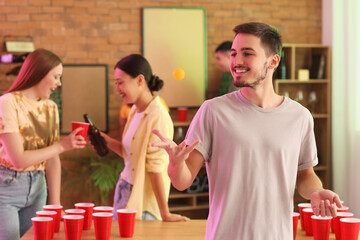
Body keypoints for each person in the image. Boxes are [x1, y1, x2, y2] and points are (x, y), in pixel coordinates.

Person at [152, 22, 342, 239]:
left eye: (247, 53)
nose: (236, 61)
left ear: (273, 61)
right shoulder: (213, 111)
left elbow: (305, 174)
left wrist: (316, 192)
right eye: (233, 54)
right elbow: (182, 181)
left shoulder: (300, 117)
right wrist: (175, 165)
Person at [0, 48, 87, 239]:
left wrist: (55, 205)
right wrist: (63, 145)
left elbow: (52, 158)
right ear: (39, 73)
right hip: (6, 188)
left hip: (38, 187)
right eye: (56, 77)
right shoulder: (7, 103)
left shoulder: (50, 107)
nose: (59, 83)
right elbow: (19, 160)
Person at [100, 54, 188, 221]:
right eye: (116, 83)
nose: (117, 88)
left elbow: (155, 168)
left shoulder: (158, 115)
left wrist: (164, 213)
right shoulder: (134, 110)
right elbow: (132, 156)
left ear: (140, 80)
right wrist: (105, 140)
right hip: (124, 188)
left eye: (120, 82)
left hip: (142, 199)